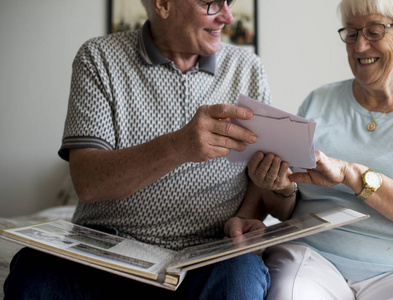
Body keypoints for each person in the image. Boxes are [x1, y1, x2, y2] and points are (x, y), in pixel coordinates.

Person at [3, 0, 272, 299]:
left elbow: (257, 172)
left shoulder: (248, 68)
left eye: (229, 2)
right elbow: (88, 183)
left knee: (241, 277)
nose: (228, 16)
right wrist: (179, 146)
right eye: (210, 3)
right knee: (35, 271)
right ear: (164, 5)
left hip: (206, 255)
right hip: (106, 252)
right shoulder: (98, 57)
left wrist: (245, 216)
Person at [231, 0, 393, 299]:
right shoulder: (318, 101)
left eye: (373, 31)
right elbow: (284, 209)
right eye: (351, 32)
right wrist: (279, 188)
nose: (359, 46)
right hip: (313, 256)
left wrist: (353, 175)